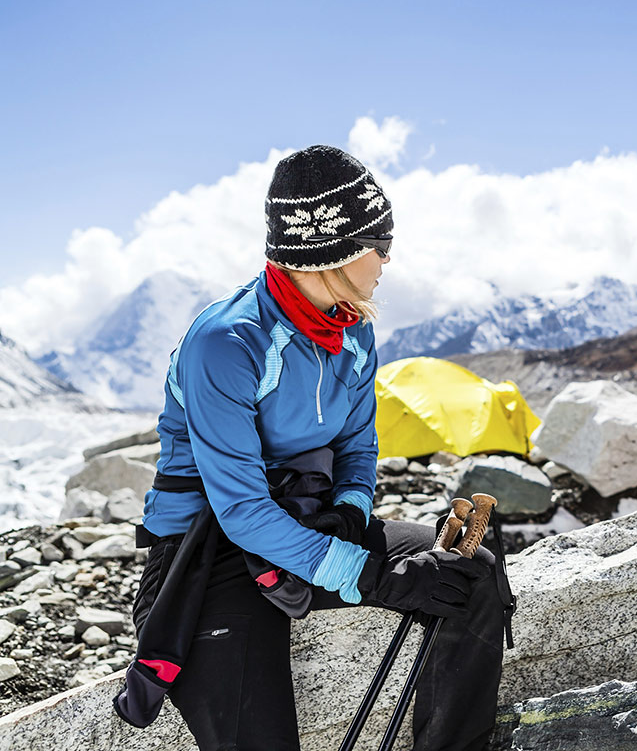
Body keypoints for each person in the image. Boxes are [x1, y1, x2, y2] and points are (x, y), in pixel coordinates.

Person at [127, 146, 505, 751]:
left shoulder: (354, 328)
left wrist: (349, 518)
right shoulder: (226, 343)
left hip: (310, 521)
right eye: (380, 243)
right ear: (337, 251)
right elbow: (242, 512)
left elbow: (358, 445)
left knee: (469, 576)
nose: (387, 258)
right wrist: (370, 576)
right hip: (205, 556)